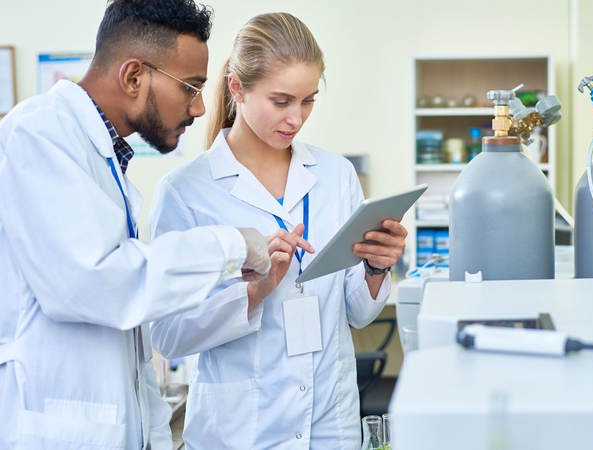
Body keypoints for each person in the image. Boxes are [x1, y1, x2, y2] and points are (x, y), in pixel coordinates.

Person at [0, 1, 308, 449]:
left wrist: (157, 436)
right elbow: (96, 282)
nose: (201, 108)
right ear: (133, 77)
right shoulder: (38, 133)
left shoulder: (104, 158)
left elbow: (131, 340)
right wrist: (235, 246)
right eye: (191, 88)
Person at [149, 12, 407, 449]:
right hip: (239, 430)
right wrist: (254, 293)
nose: (296, 118)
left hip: (329, 421)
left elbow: (357, 313)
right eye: (281, 101)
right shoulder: (186, 191)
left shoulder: (334, 174)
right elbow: (168, 337)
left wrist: (376, 267)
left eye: (308, 101)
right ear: (237, 88)